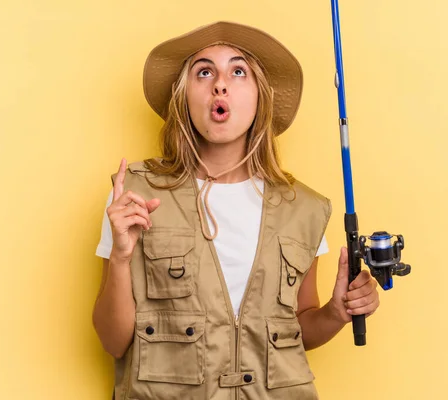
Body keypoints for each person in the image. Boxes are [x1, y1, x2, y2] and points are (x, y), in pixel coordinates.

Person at [92, 21, 380, 400]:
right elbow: (114, 342)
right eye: (205, 71)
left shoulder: (303, 210)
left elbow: (298, 331)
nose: (220, 83)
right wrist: (119, 257)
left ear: (260, 96)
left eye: (238, 70)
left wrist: (337, 312)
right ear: (184, 96)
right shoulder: (133, 197)